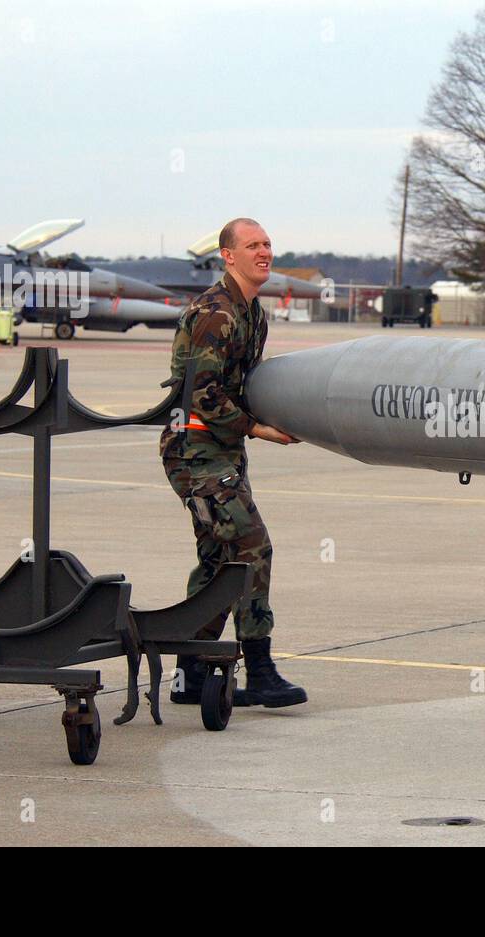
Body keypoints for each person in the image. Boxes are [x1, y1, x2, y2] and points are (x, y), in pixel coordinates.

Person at [158, 218, 308, 709]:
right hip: (194, 452)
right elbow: (203, 394)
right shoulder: (215, 314)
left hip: (220, 453)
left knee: (217, 560)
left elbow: (241, 387)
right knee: (252, 548)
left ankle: (191, 674)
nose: (264, 252)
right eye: (253, 246)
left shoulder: (252, 313)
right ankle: (260, 670)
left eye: (267, 244)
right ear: (228, 256)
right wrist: (258, 428)